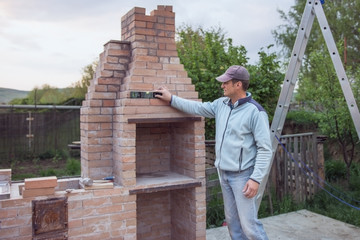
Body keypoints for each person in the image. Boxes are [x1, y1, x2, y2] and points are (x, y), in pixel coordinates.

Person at [155, 65, 272, 240]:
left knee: (250, 227)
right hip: (224, 174)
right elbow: (196, 108)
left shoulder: (256, 112)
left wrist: (255, 179)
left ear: (238, 84)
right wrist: (171, 99)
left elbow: (265, 149)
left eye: (226, 82)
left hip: (243, 177)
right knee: (233, 225)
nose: (222, 85)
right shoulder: (221, 105)